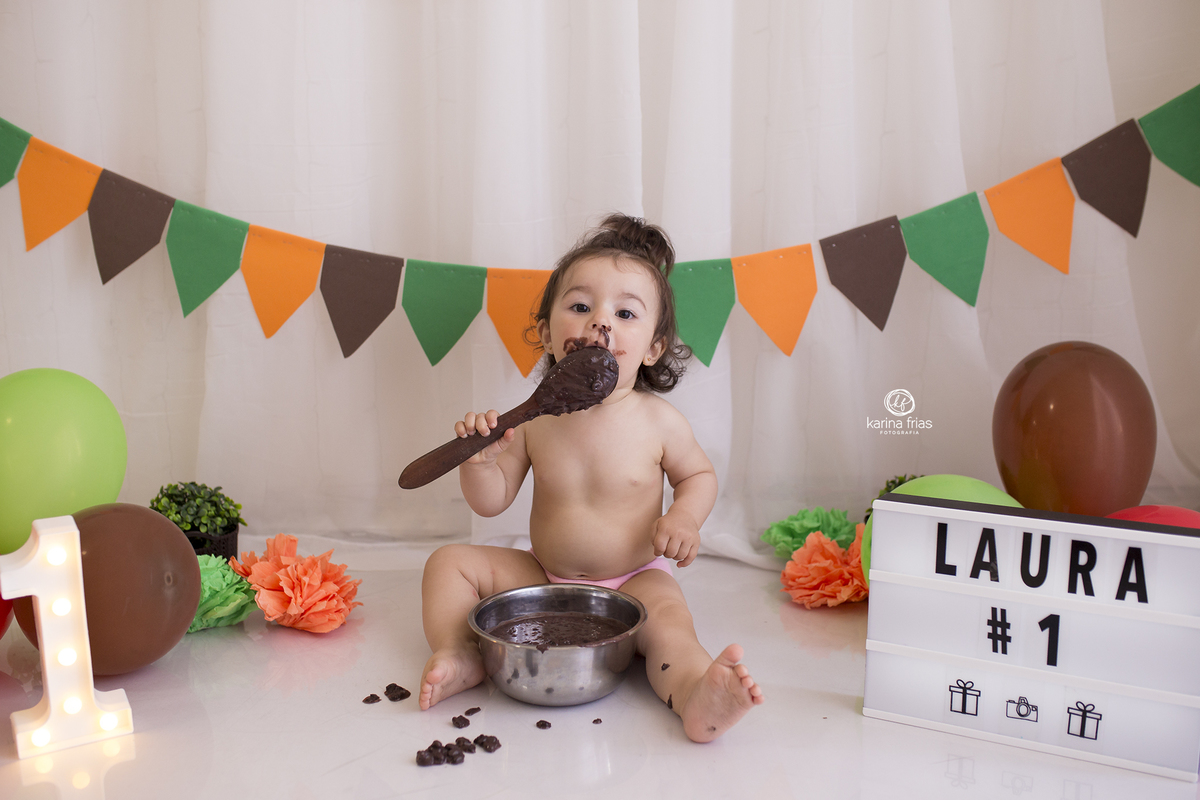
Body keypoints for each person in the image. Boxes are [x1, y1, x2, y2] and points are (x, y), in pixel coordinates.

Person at [418, 213, 763, 742]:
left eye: (626, 313)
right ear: (548, 333)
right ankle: (461, 652)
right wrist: (479, 463)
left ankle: (695, 691)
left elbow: (698, 474)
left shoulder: (658, 422)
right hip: (543, 579)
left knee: (670, 627)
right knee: (448, 563)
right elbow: (492, 502)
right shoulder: (533, 421)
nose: (600, 322)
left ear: (652, 348)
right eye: (580, 306)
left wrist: (684, 517)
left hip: (635, 579)